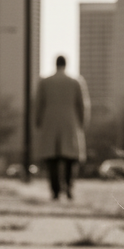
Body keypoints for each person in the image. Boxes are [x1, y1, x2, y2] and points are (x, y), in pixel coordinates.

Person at [34, 55, 90, 201]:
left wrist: (38, 121)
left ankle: (55, 191)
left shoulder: (45, 82)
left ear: (55, 64)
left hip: (49, 121)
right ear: (66, 64)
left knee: (52, 159)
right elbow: (83, 105)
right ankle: (69, 187)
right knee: (70, 158)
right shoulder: (76, 82)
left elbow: (38, 104)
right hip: (70, 122)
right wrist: (82, 123)